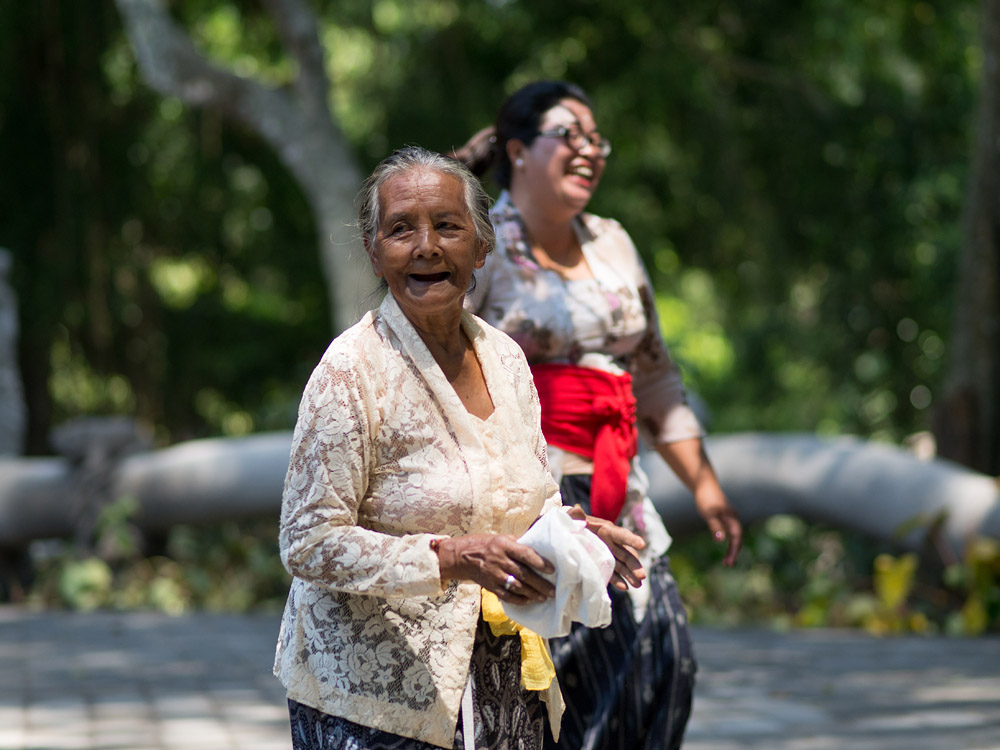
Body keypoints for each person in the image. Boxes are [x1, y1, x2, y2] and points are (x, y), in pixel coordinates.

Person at [273, 145, 647, 750]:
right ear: (374, 253)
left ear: (481, 246)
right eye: (401, 230)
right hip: (376, 703)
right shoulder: (351, 369)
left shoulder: (505, 357)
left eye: (448, 226)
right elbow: (308, 540)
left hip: (502, 678)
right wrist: (449, 557)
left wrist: (575, 533)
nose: (426, 246)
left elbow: (530, 502)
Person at [456, 80, 744, 750]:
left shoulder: (613, 243)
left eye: (597, 139)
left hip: (622, 491)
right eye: (570, 134)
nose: (589, 150)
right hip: (537, 500)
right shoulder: (480, 245)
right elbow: (443, 372)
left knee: (663, 662)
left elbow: (655, 372)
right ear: (519, 150)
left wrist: (705, 485)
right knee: (562, 685)